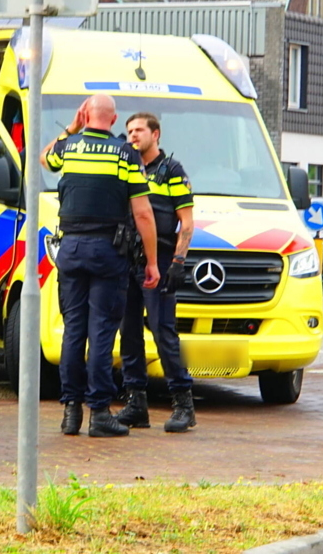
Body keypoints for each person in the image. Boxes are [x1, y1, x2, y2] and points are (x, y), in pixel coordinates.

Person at [41, 94, 160, 438]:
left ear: (85, 114)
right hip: (108, 251)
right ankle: (99, 414)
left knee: (74, 332)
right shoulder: (125, 154)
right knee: (102, 333)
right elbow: (142, 213)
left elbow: (44, 159)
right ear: (114, 119)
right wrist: (152, 262)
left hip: (71, 248)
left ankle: (70, 412)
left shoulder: (69, 147)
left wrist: (71, 127)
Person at [116, 112, 197, 433]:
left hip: (160, 259)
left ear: (156, 134)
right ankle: (136, 403)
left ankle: (183, 405)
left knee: (163, 331)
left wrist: (178, 262)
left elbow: (186, 222)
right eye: (129, 131)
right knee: (129, 332)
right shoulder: (126, 167)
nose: (133, 136)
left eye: (139, 130)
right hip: (128, 259)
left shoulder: (172, 171)